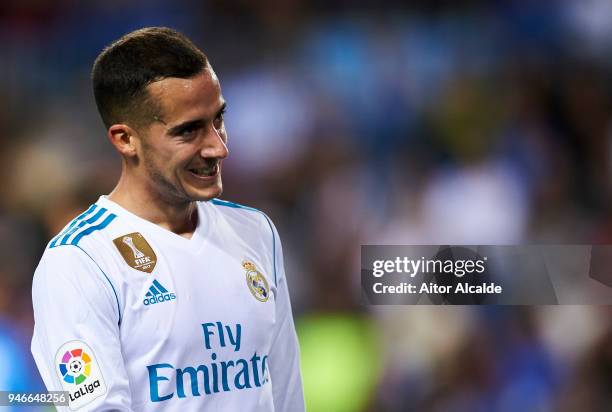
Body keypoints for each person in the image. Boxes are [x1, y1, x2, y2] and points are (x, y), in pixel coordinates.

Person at [30, 27, 305, 411]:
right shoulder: (80, 261)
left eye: (218, 119)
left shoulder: (256, 232)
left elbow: (287, 393)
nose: (219, 147)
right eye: (189, 130)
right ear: (125, 139)